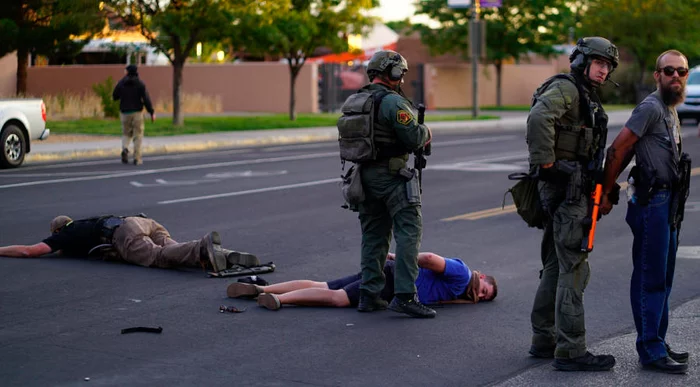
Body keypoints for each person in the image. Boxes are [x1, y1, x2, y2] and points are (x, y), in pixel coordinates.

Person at [525, 37, 619, 371]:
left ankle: (544, 339)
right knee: (575, 269)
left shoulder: (583, 93)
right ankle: (571, 350)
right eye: (598, 62)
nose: (604, 69)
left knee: (555, 264)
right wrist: (548, 164)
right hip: (567, 192)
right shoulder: (567, 89)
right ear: (580, 60)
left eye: (607, 65)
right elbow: (539, 119)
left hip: (569, 189)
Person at [600, 50, 691, 374]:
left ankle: (657, 341)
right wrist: (607, 192)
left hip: (668, 204)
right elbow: (619, 149)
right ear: (657, 75)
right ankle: (650, 349)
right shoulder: (650, 107)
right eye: (669, 71)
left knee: (663, 278)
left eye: (681, 71)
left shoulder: (669, 108)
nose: (676, 77)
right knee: (651, 279)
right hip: (652, 203)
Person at [340, 50, 434, 318]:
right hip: (391, 175)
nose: (402, 78)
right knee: (409, 232)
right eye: (400, 73)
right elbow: (414, 137)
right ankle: (405, 296)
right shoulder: (393, 102)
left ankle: (369, 294)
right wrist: (426, 132)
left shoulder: (357, 99)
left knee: (374, 236)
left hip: (363, 176)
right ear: (391, 72)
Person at [227, 252, 497, 311]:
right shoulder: (463, 273)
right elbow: (427, 258)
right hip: (393, 278)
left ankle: (260, 288)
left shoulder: (461, 291)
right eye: (485, 290)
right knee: (339, 298)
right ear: (481, 276)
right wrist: (398, 255)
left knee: (325, 286)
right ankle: (279, 299)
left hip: (390, 274)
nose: (481, 295)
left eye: (485, 297)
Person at [0, 215, 258, 273]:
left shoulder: (65, 234)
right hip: (141, 220)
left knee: (156, 258)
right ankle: (218, 255)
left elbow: (30, 251)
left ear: (57, 230)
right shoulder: (84, 223)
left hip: (122, 234)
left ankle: (202, 247)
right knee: (170, 250)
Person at [112, 64, 155, 166]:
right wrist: (151, 112)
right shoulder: (140, 84)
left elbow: (115, 96)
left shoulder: (121, 83)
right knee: (138, 135)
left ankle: (125, 148)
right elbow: (146, 99)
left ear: (127, 72)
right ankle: (137, 158)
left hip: (124, 112)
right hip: (137, 112)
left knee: (126, 133)